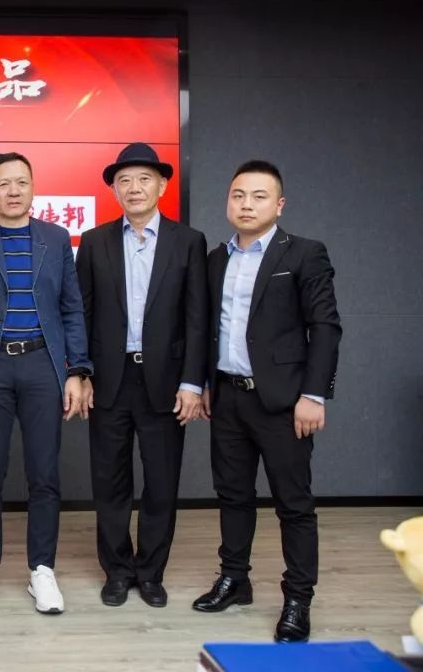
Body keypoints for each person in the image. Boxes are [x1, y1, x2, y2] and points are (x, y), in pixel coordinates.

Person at [192, 160, 341, 644]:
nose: (246, 204)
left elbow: (325, 328)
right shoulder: (215, 259)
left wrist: (313, 395)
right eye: (238, 195)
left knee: (294, 505)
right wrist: (205, 382)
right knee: (233, 496)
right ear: (228, 202)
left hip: (284, 402)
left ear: (279, 205)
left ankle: (298, 599)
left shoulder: (303, 253)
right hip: (228, 399)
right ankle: (235, 579)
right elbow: (208, 328)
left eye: (258, 196)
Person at [0, 151, 91, 615]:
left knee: (44, 473)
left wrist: (77, 370)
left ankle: (42, 570)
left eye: (22, 183)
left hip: (42, 366)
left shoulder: (56, 238)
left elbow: (72, 308)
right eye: (4, 184)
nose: (13, 191)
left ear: (33, 188)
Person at [75, 143, 208, 608]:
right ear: (114, 189)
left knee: (161, 483)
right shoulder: (94, 242)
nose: (134, 188)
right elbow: (81, 313)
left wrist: (192, 383)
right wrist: (81, 372)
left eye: (144, 179)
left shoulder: (188, 241)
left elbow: (197, 318)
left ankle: (151, 572)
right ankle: (117, 570)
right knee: (109, 483)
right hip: (108, 381)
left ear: (162, 185)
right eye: (125, 181)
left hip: (166, 384)